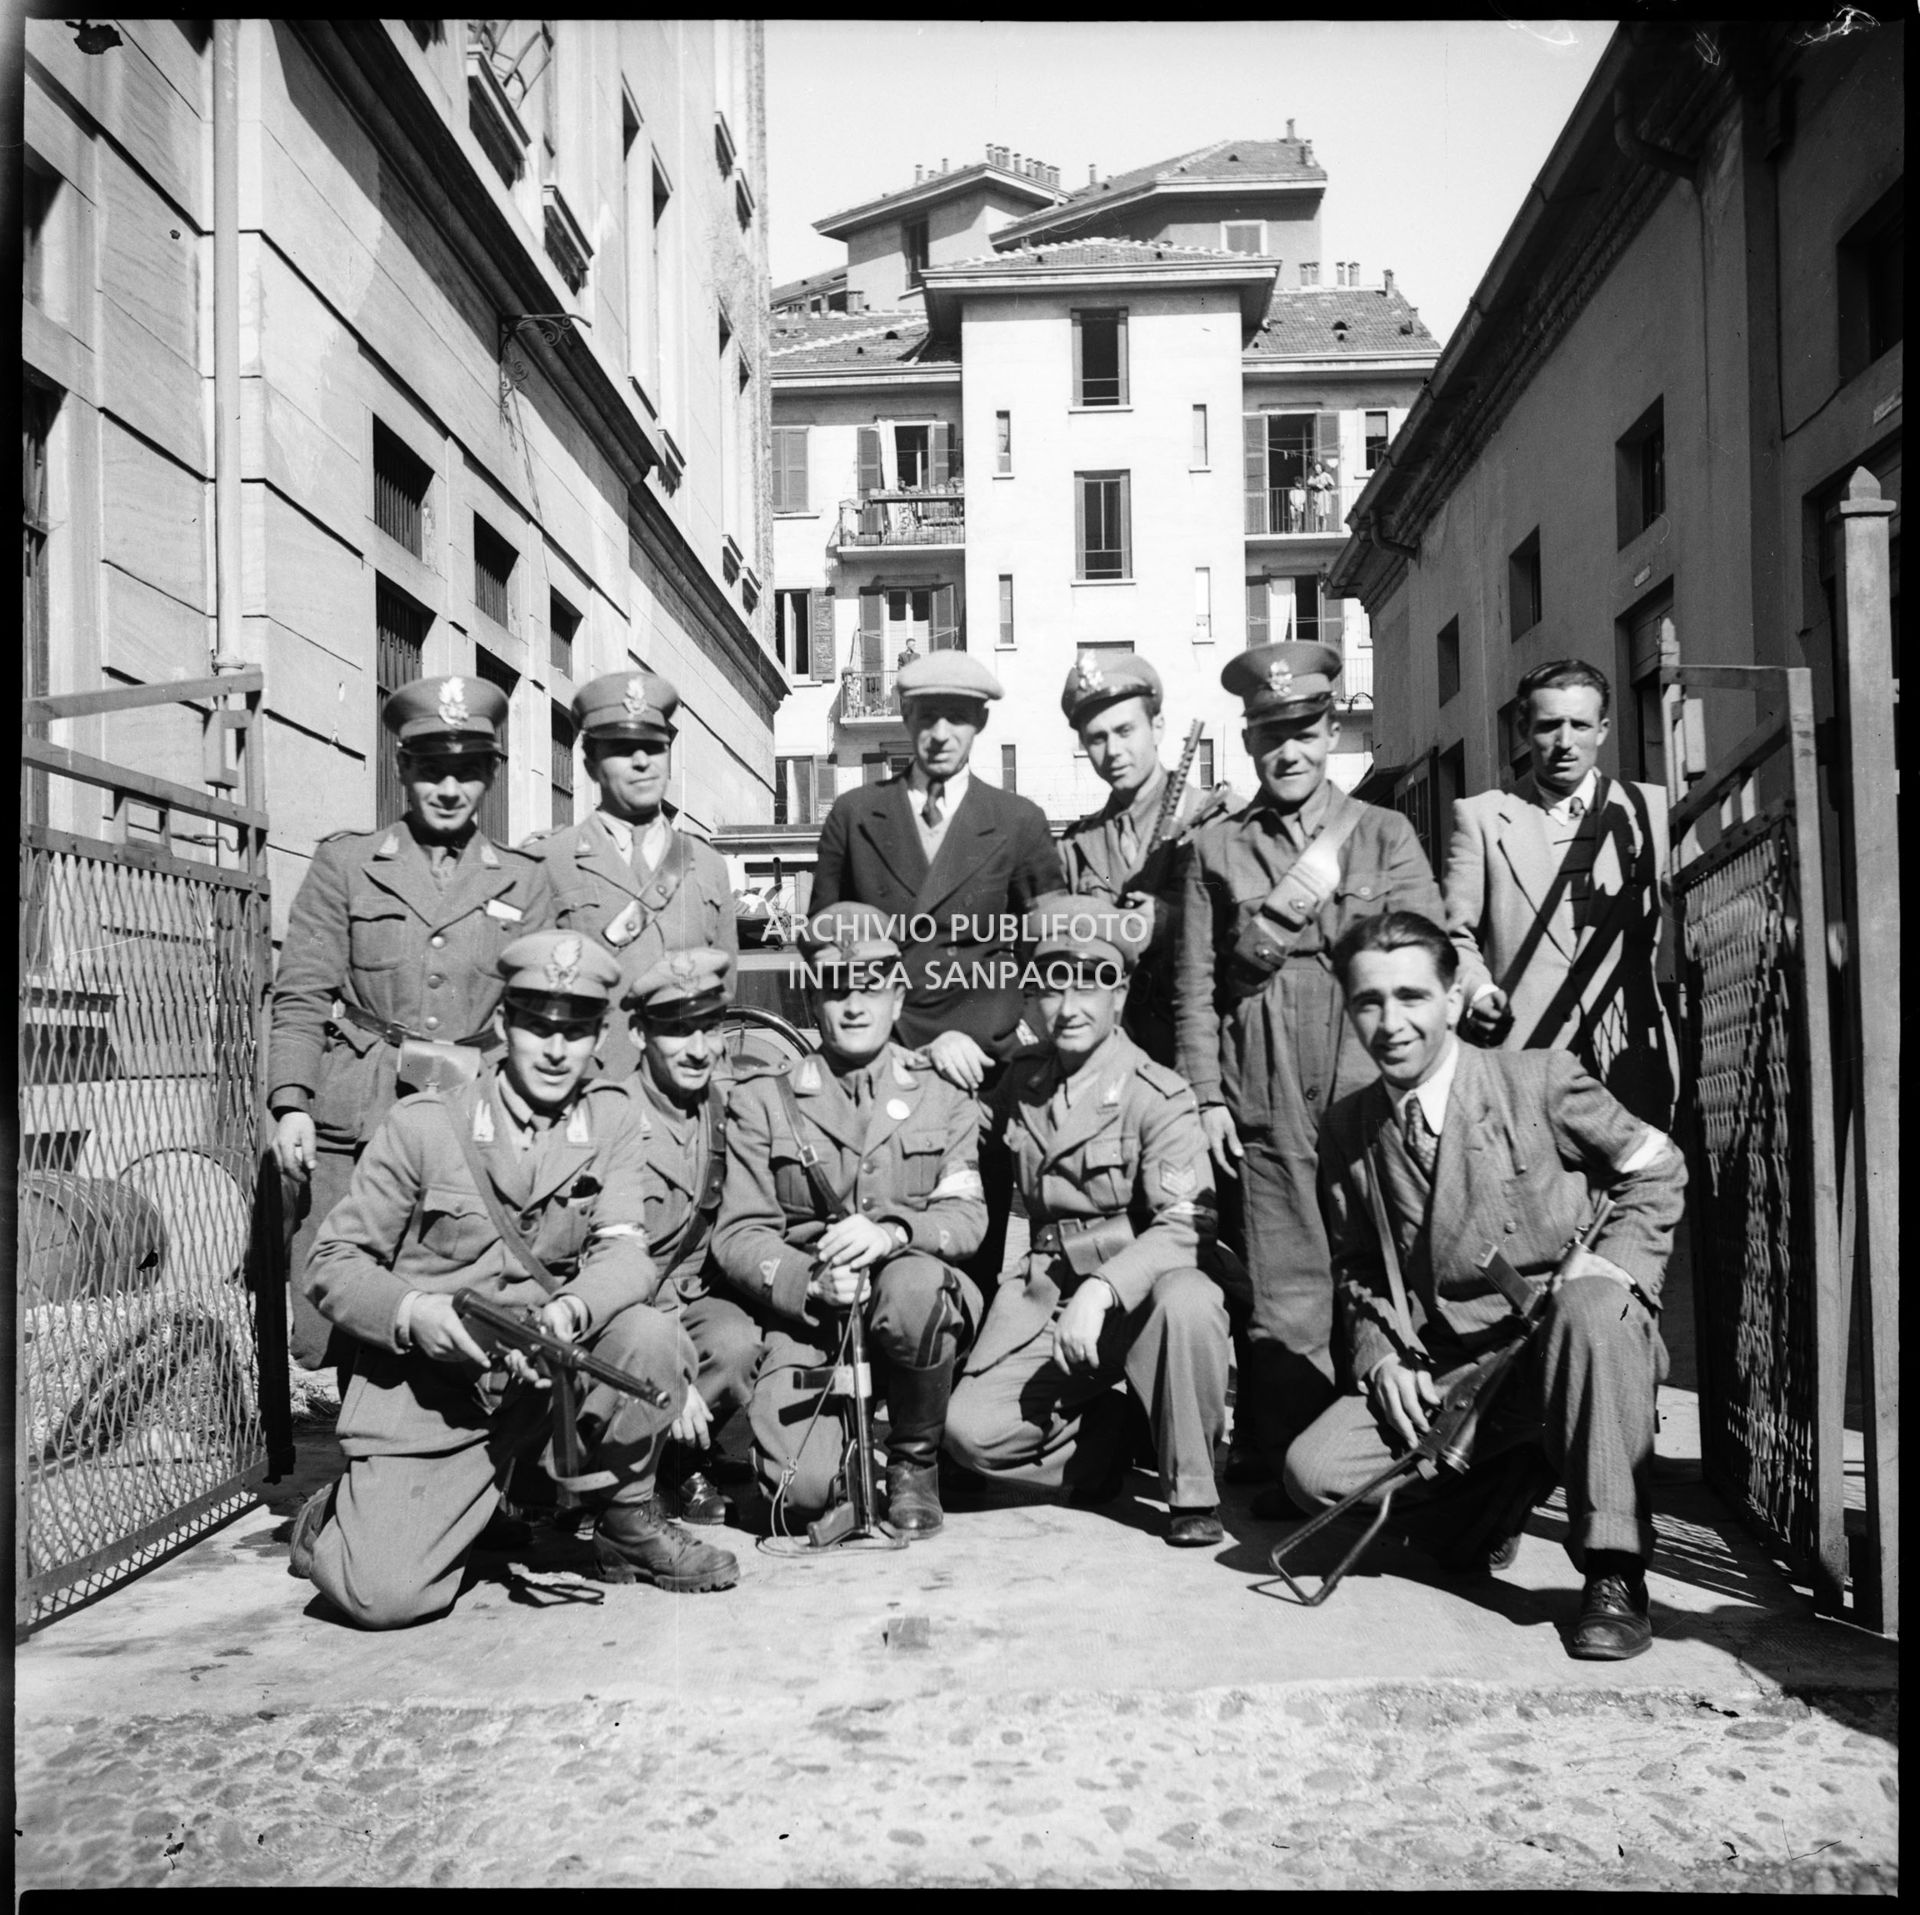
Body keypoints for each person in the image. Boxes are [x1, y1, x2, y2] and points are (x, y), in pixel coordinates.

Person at [286, 931, 740, 1628]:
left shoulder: (611, 1119)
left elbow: (627, 1253)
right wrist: (415, 1312)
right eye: (539, 1025)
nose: (557, 1050)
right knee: (383, 1596)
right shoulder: (427, 1124)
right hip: (436, 1390)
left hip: (542, 1385)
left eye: (578, 1030)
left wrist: (571, 1310)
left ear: (599, 1039)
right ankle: (344, 1510)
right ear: (504, 1025)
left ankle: (626, 1518)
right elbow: (332, 1262)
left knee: (650, 1334)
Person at [1284, 910, 1685, 1660]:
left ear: (1450, 996)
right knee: (1316, 1471)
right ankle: (1496, 1500)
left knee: (1594, 1308)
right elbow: (1359, 1265)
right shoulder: (1350, 1126)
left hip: (1577, 1341)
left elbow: (1657, 1165)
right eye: (1369, 1001)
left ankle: (1613, 1568)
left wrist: (1620, 1265)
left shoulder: (1538, 1080)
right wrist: (1381, 1358)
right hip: (1463, 1365)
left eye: (1412, 997)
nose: (1391, 1022)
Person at [1175, 641, 1446, 1512]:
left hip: (1369, 1061)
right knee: (1289, 1278)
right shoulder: (1216, 848)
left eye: (1303, 731)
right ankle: (1304, 1472)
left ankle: (1420, 1459)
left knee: (1395, 1258)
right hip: (1265, 1070)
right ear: (1248, 743)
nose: (1287, 752)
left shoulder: (1384, 831)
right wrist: (1208, 1097)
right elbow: (1196, 988)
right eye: (1268, 735)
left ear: (1332, 730)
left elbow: (1426, 958)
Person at [266, 675, 553, 1376]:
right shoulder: (347, 864)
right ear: (402, 770)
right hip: (360, 1113)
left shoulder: (525, 880)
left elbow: (543, 1011)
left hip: (472, 1115)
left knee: (467, 1291)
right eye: (430, 769)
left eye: (465, 771)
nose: (448, 788)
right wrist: (290, 1103)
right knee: (342, 1305)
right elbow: (301, 993)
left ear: (489, 776)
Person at [945, 895, 1229, 1546]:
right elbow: (967, 1123)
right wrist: (937, 1055)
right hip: (1048, 1291)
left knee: (1189, 1299)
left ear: (1120, 993)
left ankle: (1191, 1487)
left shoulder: (1159, 1093)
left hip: (1143, 1297)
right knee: (969, 1434)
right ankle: (1112, 1435)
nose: (1068, 1005)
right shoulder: (1022, 1079)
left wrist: (1103, 1289)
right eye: (1049, 983)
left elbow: (1186, 1226)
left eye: (1091, 983)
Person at [709, 906, 987, 1537]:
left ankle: (915, 1461)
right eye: (836, 988)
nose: (855, 1004)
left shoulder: (941, 1093)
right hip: (813, 1321)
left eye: (872, 985)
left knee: (916, 1287)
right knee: (800, 1497)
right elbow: (739, 1234)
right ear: (813, 998)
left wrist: (894, 1233)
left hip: (907, 1308)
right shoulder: (762, 1099)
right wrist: (809, 1281)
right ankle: (842, 1453)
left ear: (898, 994)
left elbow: (966, 1213)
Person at [809, 651, 1063, 1093]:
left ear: (981, 721)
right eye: (927, 718)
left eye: (958, 718)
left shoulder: (1017, 820)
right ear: (906, 716)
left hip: (990, 1061)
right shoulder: (855, 816)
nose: (941, 736)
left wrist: (1018, 1039)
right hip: (884, 1056)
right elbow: (822, 950)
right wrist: (881, 1046)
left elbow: (1053, 948)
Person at [1444, 658, 1677, 1128]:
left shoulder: (1649, 809)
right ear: (1524, 728)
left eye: (1580, 725)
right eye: (1550, 726)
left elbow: (1695, 899)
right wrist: (1480, 990)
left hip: (1630, 1056)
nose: (1565, 743)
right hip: (1524, 1062)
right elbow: (1454, 937)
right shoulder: (1483, 818)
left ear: (1604, 729)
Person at [528, 667, 738, 1084]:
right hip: (592, 1089)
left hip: (690, 1089)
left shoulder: (706, 863)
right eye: (623, 748)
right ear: (590, 763)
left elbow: (724, 990)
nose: (642, 761)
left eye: (653, 747)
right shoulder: (548, 860)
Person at [622, 946, 766, 1525]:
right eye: (677, 1031)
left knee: (738, 1342)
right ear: (638, 1035)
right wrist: (667, 1370)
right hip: (622, 1312)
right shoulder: (608, 1118)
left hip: (692, 1300)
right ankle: (621, 1475)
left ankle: (675, 1461)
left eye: (709, 1028)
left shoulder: (731, 1107)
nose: (699, 1048)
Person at [1057, 650, 1233, 1068]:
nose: (1113, 750)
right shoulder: (1075, 846)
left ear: (1157, 727)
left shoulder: (1216, 822)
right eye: (1097, 738)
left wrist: (1174, 922)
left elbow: (1249, 941)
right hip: (1111, 1059)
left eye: (1124, 730)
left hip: (1204, 1053)